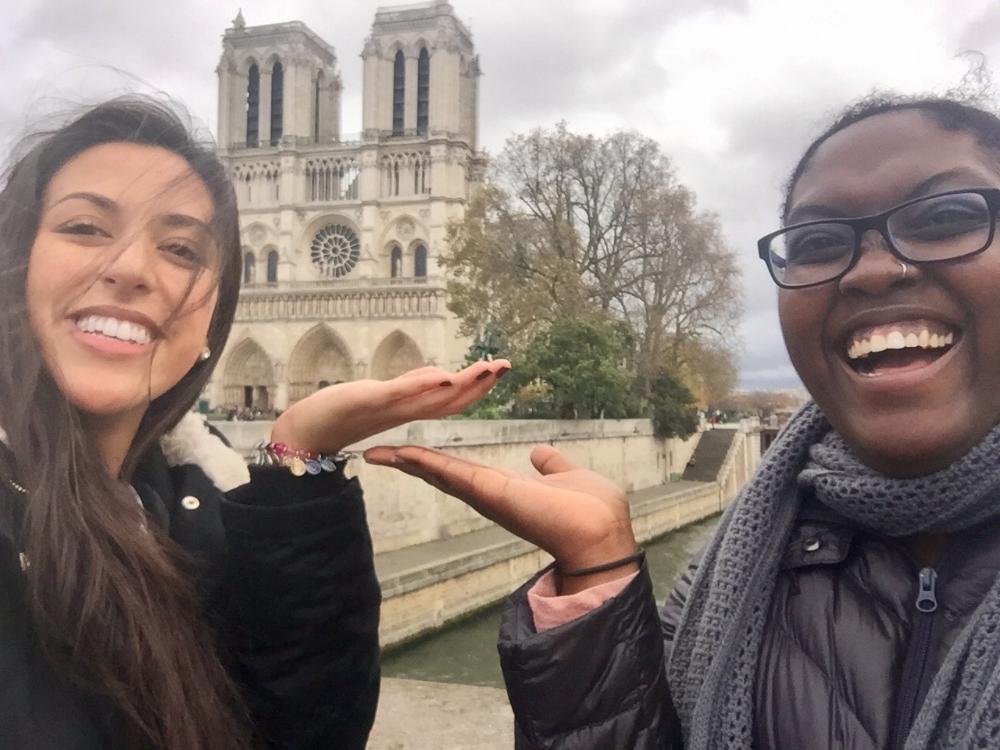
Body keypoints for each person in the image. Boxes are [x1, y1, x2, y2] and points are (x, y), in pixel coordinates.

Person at [366, 93, 1000, 749]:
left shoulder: (750, 560)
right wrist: (596, 579)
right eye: (817, 241)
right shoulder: (726, 572)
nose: (873, 269)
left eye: (946, 216)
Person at [0, 96, 509, 750]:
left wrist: (305, 457)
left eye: (181, 247)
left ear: (216, 315)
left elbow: (301, 728)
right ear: (15, 265)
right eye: (85, 228)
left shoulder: (197, 506)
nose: (128, 268)